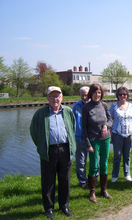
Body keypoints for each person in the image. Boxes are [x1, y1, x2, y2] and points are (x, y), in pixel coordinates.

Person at [30, 86, 75, 218]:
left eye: (57, 96)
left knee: (65, 179)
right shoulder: (40, 113)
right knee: (48, 180)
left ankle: (64, 206)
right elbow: (33, 131)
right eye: (52, 96)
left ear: (62, 97)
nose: (55, 99)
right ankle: (49, 208)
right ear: (47, 98)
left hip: (65, 149)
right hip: (49, 151)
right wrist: (42, 146)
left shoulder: (67, 111)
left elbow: (72, 127)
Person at [82, 84, 113, 202]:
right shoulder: (86, 108)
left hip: (105, 139)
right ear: (91, 93)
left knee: (104, 164)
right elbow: (84, 128)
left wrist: (106, 126)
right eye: (95, 92)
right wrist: (88, 144)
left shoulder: (104, 105)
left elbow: (110, 120)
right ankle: (92, 192)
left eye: (99, 92)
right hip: (93, 140)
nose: (97, 95)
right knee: (94, 166)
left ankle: (103, 189)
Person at [110, 87, 132, 183]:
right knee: (117, 155)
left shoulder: (131, 106)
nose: (122, 96)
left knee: (127, 155)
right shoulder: (113, 106)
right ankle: (115, 175)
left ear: (127, 95)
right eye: (120, 94)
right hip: (117, 133)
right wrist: (111, 136)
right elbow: (111, 121)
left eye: (124, 94)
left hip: (129, 133)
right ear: (117, 95)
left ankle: (127, 174)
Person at [73, 86, 90, 189]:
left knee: (95, 160)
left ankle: (94, 179)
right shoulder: (76, 106)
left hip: (92, 137)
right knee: (81, 161)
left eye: (86, 95)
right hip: (80, 137)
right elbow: (72, 121)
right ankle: (83, 181)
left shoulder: (95, 105)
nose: (84, 97)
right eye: (82, 95)